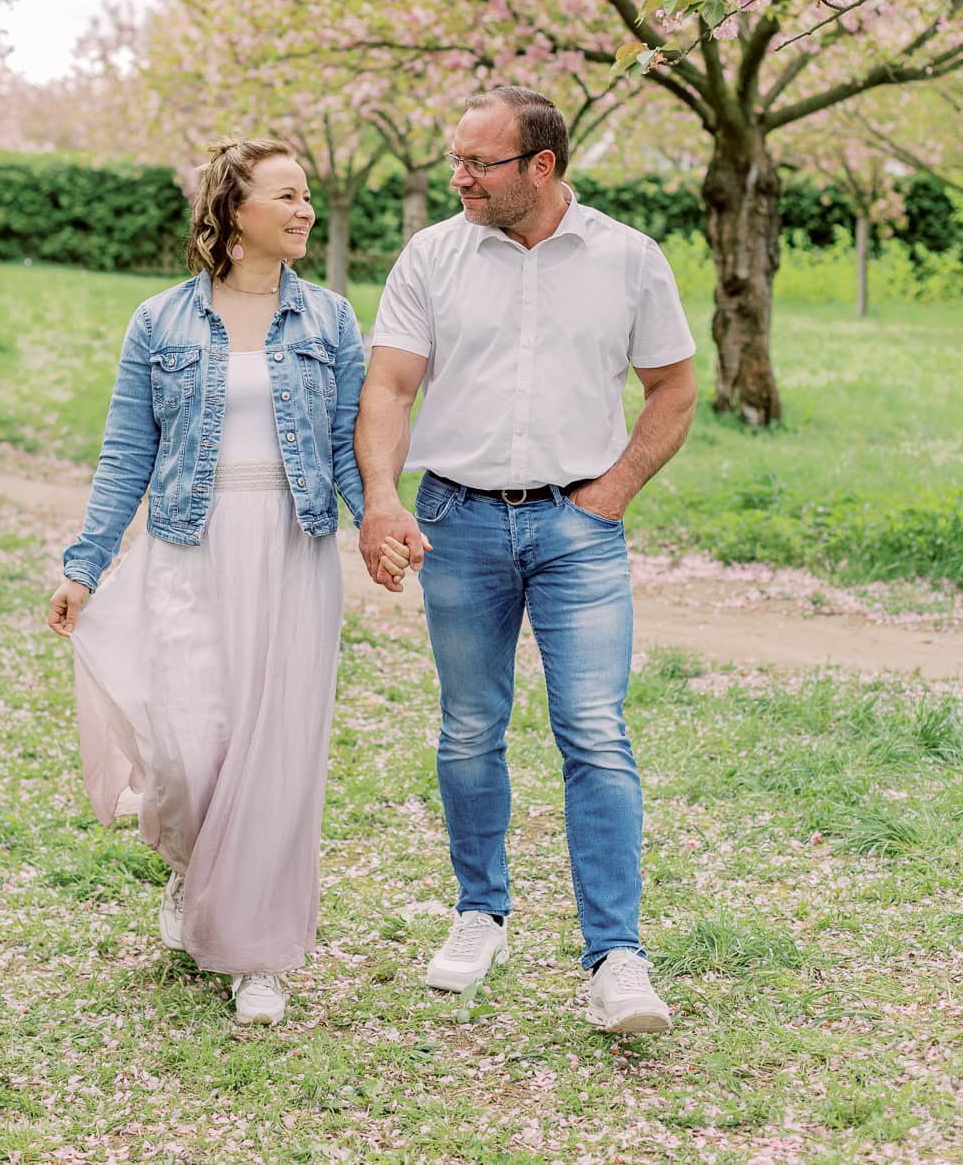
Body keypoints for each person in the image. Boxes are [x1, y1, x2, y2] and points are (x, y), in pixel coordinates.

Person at [354, 86, 697, 1036]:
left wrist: (615, 491)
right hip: (456, 520)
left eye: (478, 163)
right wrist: (382, 496)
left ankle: (615, 955)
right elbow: (389, 382)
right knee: (470, 726)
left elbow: (673, 389)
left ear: (540, 168)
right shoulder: (432, 254)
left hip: (578, 527)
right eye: (456, 159)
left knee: (594, 729)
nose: (458, 177)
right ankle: (480, 912)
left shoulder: (628, 257)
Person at [47, 138, 408, 1027]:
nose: (306, 209)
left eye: (309, 195)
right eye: (287, 194)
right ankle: (189, 868)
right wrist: (85, 564)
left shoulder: (327, 319)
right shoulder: (160, 322)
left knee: (277, 755)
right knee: (188, 744)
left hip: (291, 549)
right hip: (188, 547)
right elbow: (128, 452)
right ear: (234, 210)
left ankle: (258, 953)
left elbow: (349, 445)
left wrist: (378, 518)